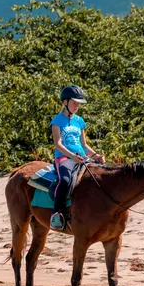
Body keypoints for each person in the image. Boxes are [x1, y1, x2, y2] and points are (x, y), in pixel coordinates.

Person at [50, 85, 105, 230]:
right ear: (65, 102)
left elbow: (84, 145)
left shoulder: (79, 121)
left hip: (81, 158)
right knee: (65, 180)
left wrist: (96, 156)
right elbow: (58, 144)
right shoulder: (57, 121)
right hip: (63, 158)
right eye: (74, 102)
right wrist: (72, 157)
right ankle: (56, 214)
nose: (77, 106)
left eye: (78, 103)